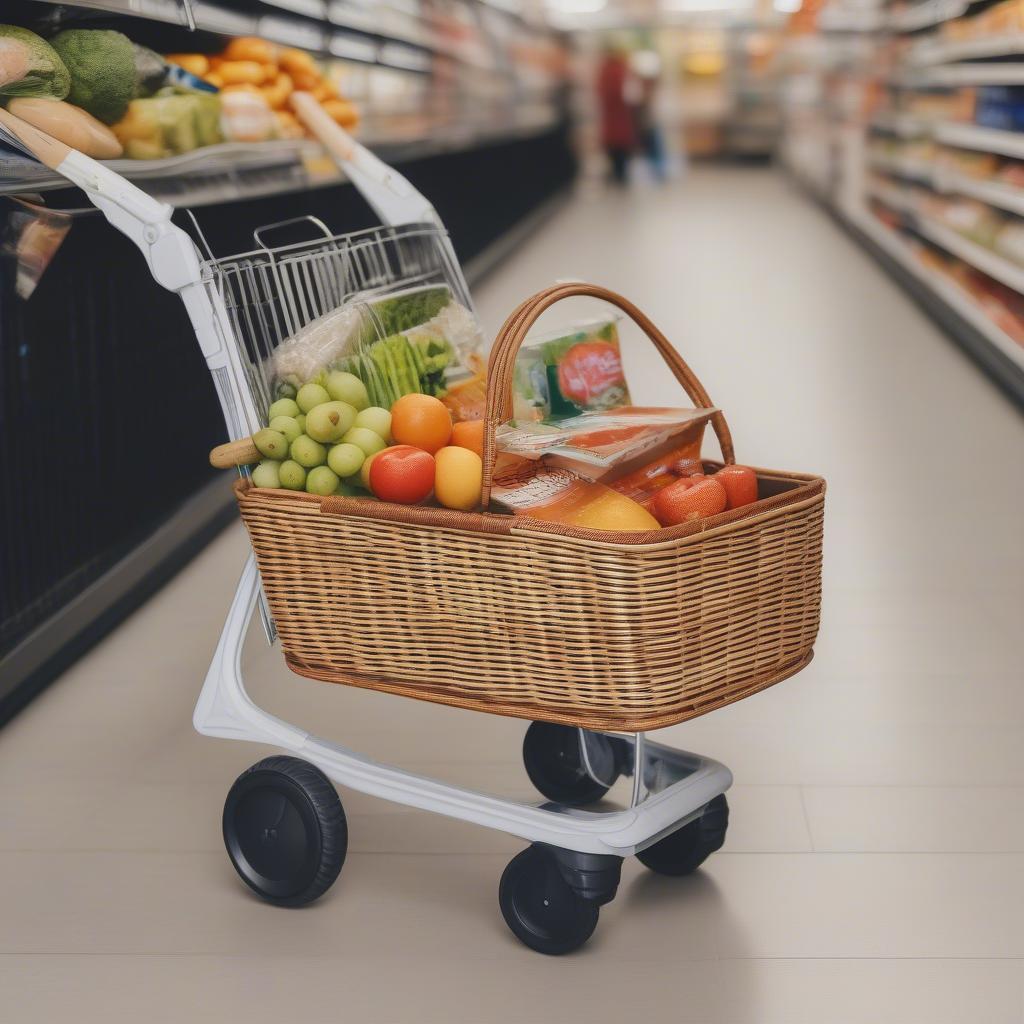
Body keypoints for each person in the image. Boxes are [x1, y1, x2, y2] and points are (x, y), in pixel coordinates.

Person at [596, 45, 635, 186]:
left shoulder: (604, 72)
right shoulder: (623, 71)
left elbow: (600, 92)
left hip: (611, 120)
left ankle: (617, 174)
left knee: (614, 148)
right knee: (621, 149)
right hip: (621, 118)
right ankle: (621, 175)